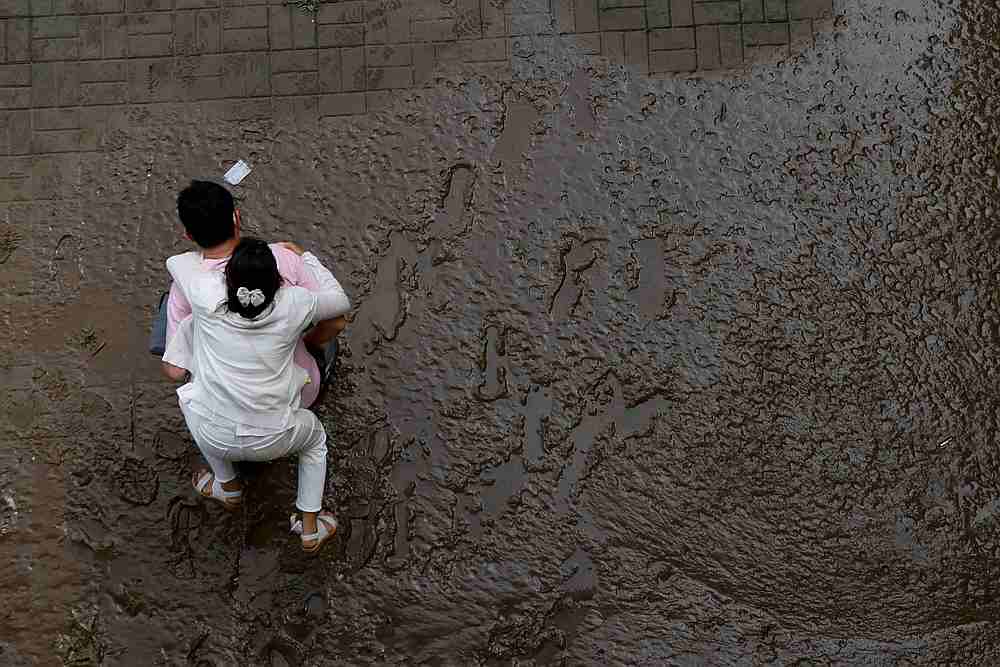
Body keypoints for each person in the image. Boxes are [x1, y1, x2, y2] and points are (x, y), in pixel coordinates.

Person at [163, 237, 351, 552]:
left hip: (215, 435)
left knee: (191, 401)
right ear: (276, 284)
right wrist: (305, 257)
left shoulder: (205, 304)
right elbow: (339, 301)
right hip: (277, 434)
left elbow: (175, 263)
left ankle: (229, 487)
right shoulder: (294, 302)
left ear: (227, 283)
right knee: (315, 442)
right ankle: (309, 528)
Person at [160, 180, 345, 409]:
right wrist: (308, 343)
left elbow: (175, 371)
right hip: (294, 397)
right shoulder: (283, 258)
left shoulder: (187, 286)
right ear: (236, 217)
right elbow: (335, 322)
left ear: (188, 235)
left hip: (226, 407)